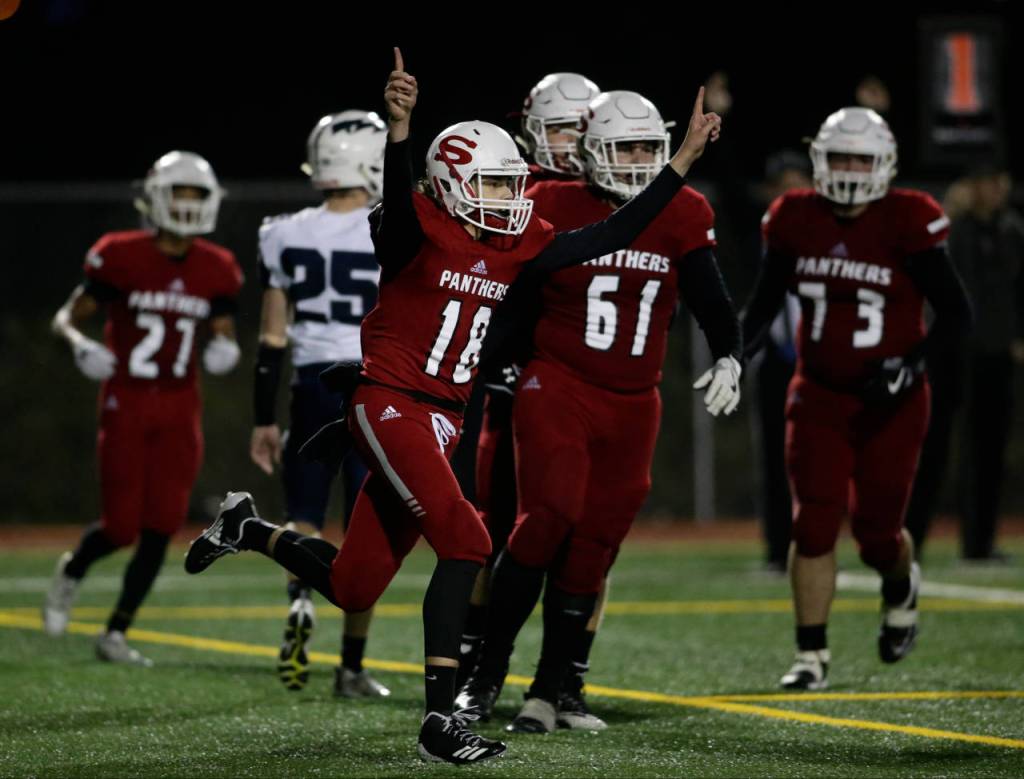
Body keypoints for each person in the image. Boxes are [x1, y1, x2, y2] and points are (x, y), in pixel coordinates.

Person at [183, 48, 722, 764]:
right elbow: (401, 199)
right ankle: (443, 721)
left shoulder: (516, 242)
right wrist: (401, 126)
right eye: (494, 183)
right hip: (392, 404)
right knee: (469, 541)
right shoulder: (413, 233)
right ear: (452, 183)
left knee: (353, 583)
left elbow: (612, 234)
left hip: (440, 417)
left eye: (509, 182)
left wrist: (679, 162)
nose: (509, 196)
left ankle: (246, 527)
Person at [457, 89, 742, 733]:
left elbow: (711, 298)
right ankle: (483, 680)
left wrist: (730, 354)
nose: (639, 159)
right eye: (626, 147)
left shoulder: (684, 209)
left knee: (594, 546)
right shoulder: (552, 202)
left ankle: (551, 692)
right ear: (591, 152)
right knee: (545, 519)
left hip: (635, 402)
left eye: (649, 146)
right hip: (557, 385)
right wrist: (488, 364)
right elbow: (508, 290)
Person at [742, 107, 972, 690]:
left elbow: (956, 314)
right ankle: (810, 655)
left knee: (877, 536)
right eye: (838, 157)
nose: (847, 170)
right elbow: (763, 303)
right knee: (813, 524)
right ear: (819, 159)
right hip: (817, 393)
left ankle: (901, 584)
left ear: (884, 164)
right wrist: (731, 354)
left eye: (859, 159)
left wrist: (909, 363)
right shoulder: (794, 217)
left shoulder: (909, 217)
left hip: (892, 401)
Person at [43, 151, 243, 666]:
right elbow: (66, 316)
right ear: (156, 196)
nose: (187, 203)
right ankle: (72, 569)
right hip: (126, 399)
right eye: (180, 192)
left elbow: (221, 326)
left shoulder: (217, 266)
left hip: (180, 406)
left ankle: (116, 631)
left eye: (197, 194)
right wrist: (78, 344)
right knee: (121, 527)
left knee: (162, 524)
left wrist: (226, 344)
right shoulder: (121, 254)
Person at [458, 71, 600, 693]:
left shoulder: (623, 196)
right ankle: (475, 659)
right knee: (496, 523)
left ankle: (565, 672)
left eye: (581, 128)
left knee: (590, 534)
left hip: (587, 387)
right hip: (509, 382)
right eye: (561, 127)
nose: (571, 141)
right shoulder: (518, 192)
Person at [251, 110, 390, 696]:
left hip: (309, 383)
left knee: (304, 513)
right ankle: (352, 667)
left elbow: (271, 337)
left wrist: (262, 417)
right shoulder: (391, 226)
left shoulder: (282, 232)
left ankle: (300, 596)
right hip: (373, 382)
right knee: (369, 521)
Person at [904, 162, 1024, 561]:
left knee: (989, 451)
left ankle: (979, 544)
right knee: (933, 447)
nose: (992, 189)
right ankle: (909, 540)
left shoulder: (1011, 231)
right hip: (951, 353)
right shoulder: (952, 229)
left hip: (995, 353)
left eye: (996, 181)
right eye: (984, 181)